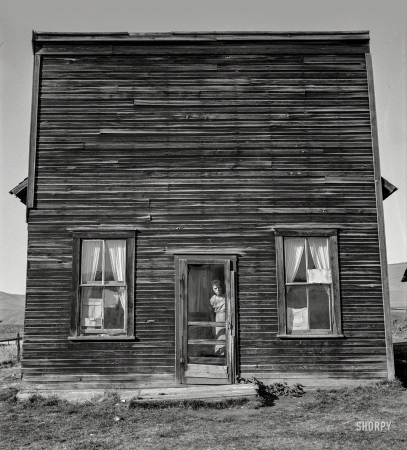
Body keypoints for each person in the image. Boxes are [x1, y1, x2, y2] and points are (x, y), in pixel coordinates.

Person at [210, 280, 226, 355]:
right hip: (218, 318)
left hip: (227, 317)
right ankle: (220, 355)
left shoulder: (226, 297)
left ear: (221, 287)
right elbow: (211, 312)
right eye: (215, 288)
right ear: (213, 289)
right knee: (220, 336)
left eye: (218, 287)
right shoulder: (212, 299)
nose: (217, 290)